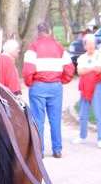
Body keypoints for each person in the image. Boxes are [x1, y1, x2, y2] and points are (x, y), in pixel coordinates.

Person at [22, 22, 72, 158]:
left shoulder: (33, 48)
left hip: (38, 86)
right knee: (55, 119)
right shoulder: (59, 47)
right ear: (49, 31)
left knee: (38, 120)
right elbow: (69, 68)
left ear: (38, 32)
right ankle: (57, 150)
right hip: (55, 86)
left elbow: (27, 71)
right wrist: (62, 80)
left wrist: (30, 83)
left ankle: (40, 151)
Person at [73, 33, 101, 148]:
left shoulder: (100, 56)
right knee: (83, 114)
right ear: (85, 46)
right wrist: (91, 68)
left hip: (97, 86)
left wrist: (87, 69)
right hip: (85, 87)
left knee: (99, 112)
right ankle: (82, 136)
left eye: (93, 43)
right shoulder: (81, 58)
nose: (91, 46)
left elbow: (99, 70)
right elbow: (80, 72)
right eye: (88, 44)